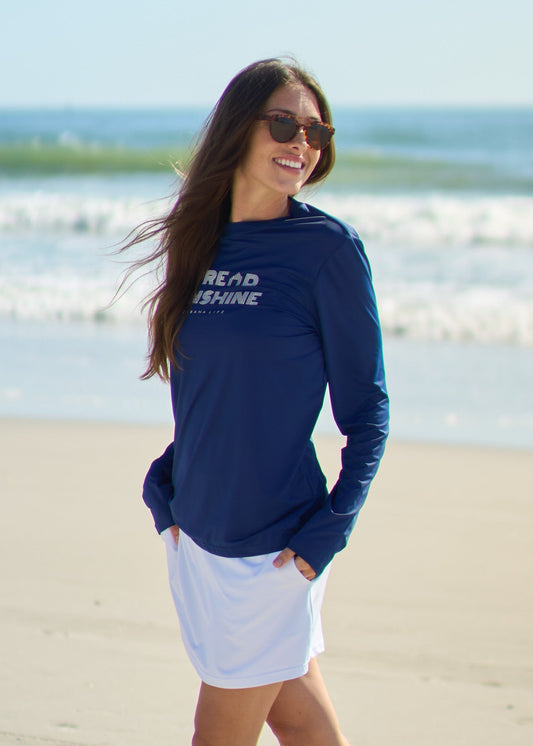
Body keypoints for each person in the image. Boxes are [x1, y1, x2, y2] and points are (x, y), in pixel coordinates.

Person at [132, 58, 389, 746]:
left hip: (274, 549)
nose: (301, 142)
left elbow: (368, 413)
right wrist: (165, 489)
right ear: (238, 129)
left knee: (215, 734)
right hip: (197, 537)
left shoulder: (326, 252)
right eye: (284, 122)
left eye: (315, 131)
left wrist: (327, 532)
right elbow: (207, 389)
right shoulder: (197, 241)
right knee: (298, 717)